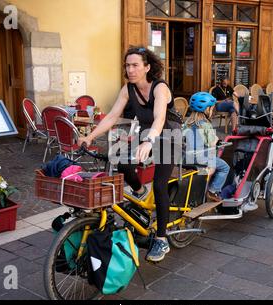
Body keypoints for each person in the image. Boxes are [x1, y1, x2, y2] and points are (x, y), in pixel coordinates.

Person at [78, 46, 178, 262]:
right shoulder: (128, 89)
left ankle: (161, 239)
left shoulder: (159, 88)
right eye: (127, 65)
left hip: (170, 136)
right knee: (120, 159)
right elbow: (112, 116)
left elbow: (160, 118)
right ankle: (140, 190)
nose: (130, 69)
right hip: (146, 135)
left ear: (147, 67)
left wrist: (149, 142)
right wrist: (91, 136)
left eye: (135, 65)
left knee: (160, 185)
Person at [183, 92, 230, 202]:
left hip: (185, 157)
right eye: (212, 108)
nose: (212, 110)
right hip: (200, 158)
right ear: (206, 109)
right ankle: (212, 191)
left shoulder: (187, 123)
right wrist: (217, 139)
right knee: (224, 167)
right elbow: (212, 143)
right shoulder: (205, 124)